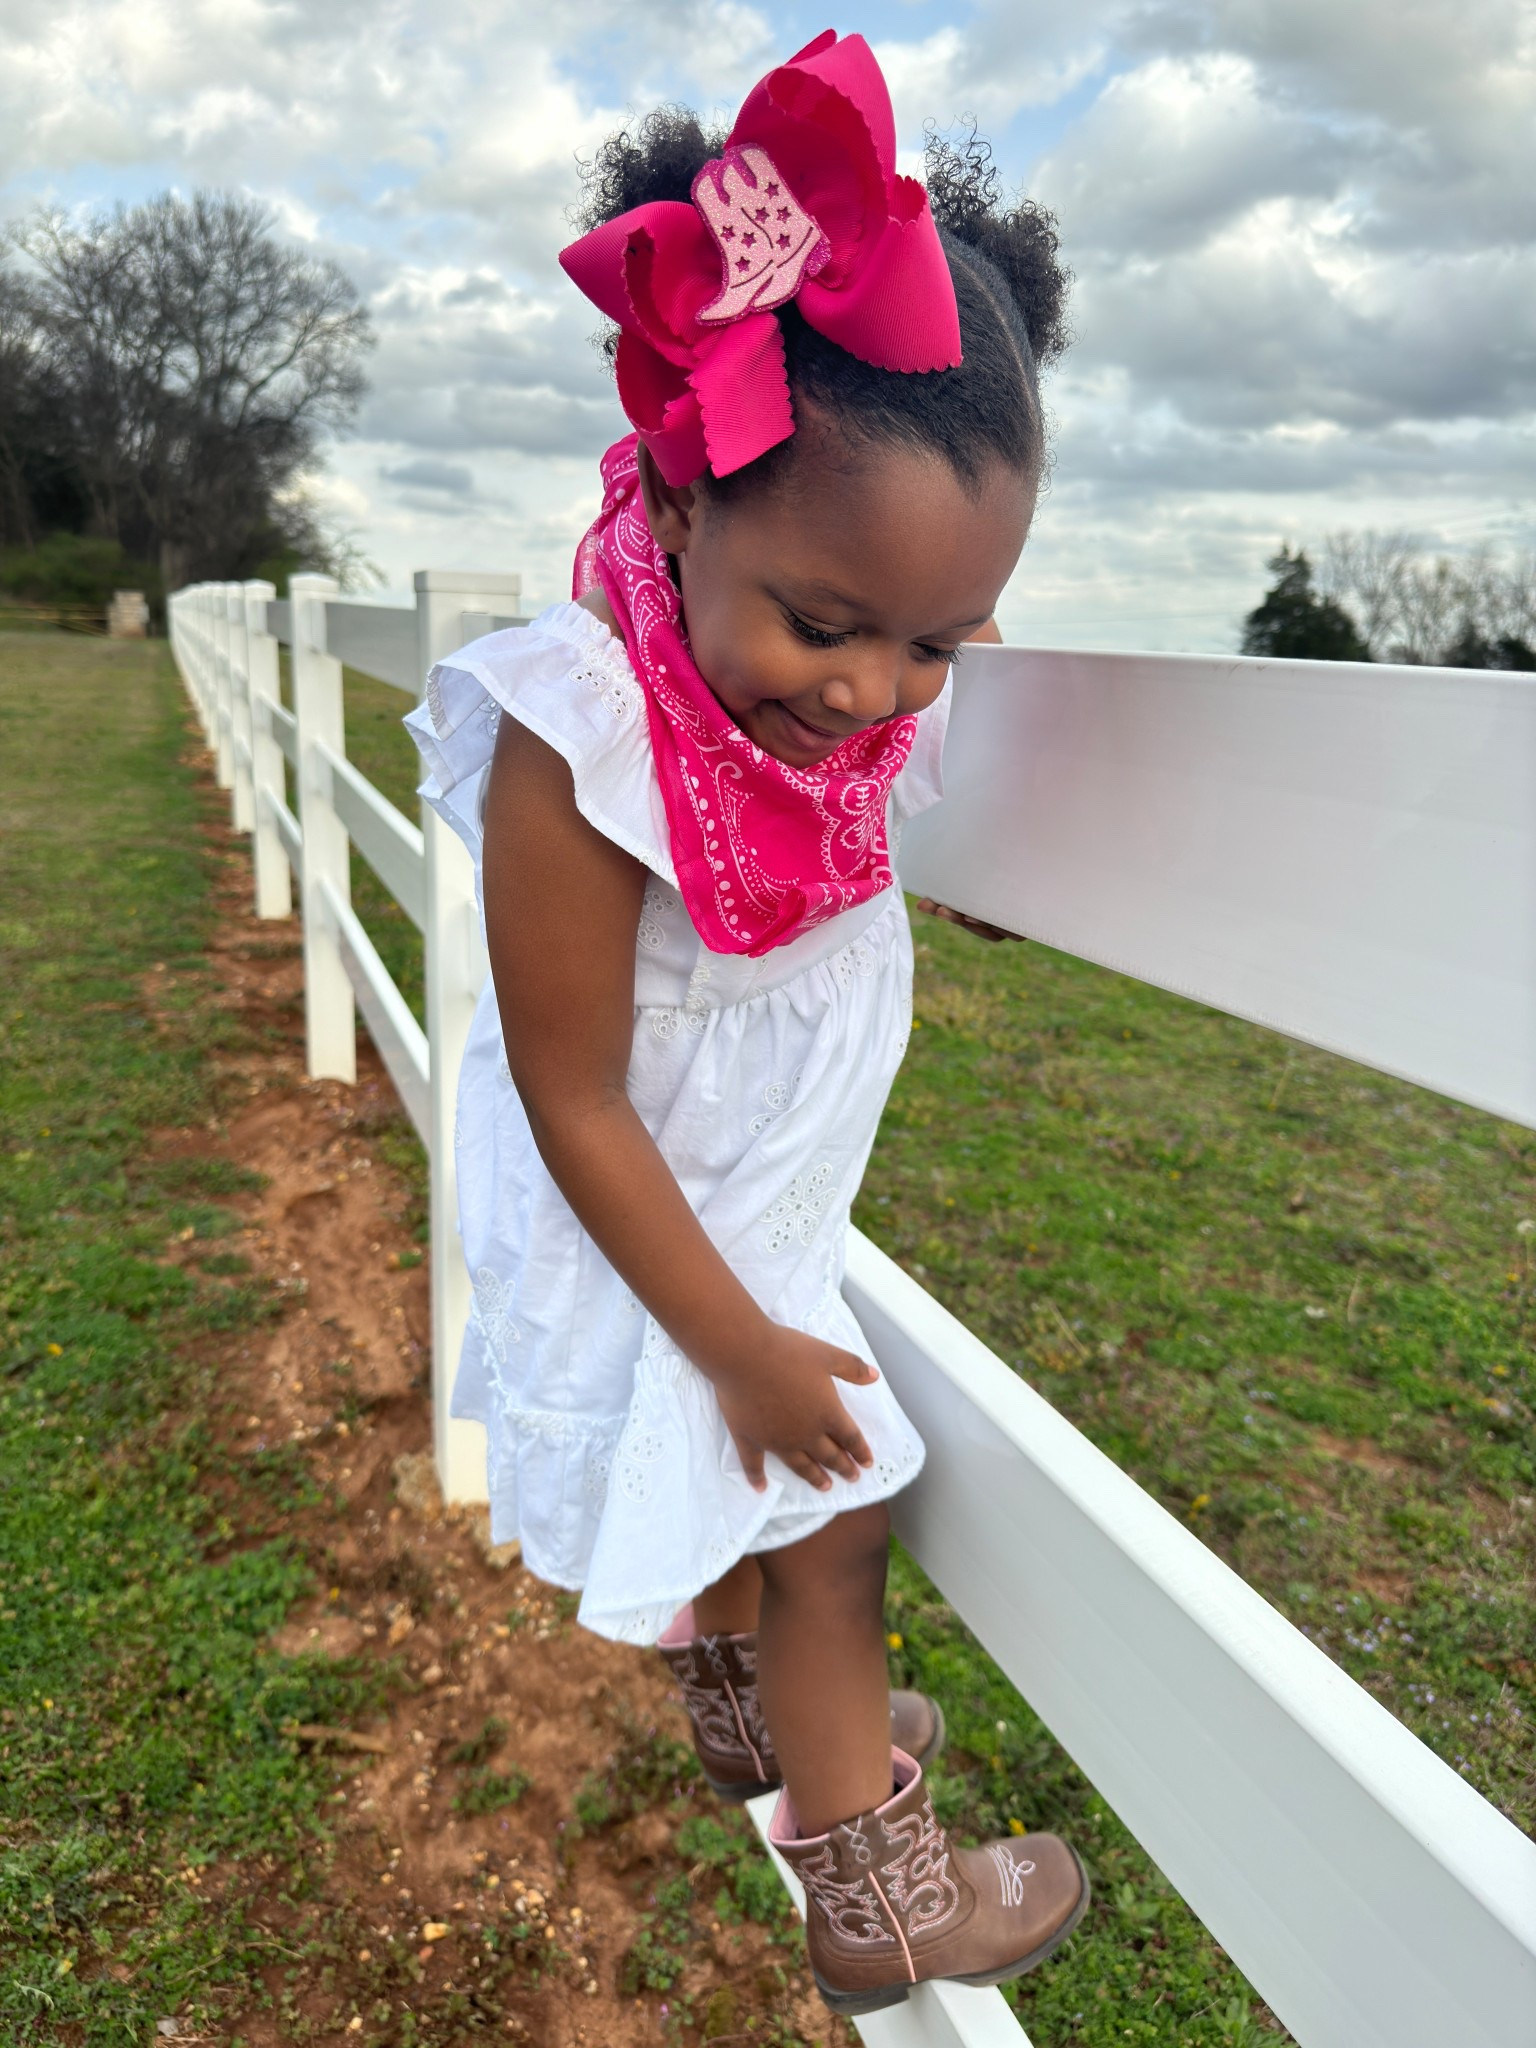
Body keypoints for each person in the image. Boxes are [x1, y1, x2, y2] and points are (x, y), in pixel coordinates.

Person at [406, 30, 1087, 2018]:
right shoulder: (586, 732)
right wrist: (737, 1347)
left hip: (738, 1189)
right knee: (839, 1516)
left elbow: (859, 813)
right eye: (829, 621)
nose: (873, 691)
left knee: (764, 1521)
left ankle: (751, 1707)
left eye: (936, 642)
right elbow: (569, 1089)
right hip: (654, 1222)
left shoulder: (809, 700)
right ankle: (877, 1895)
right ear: (692, 494)